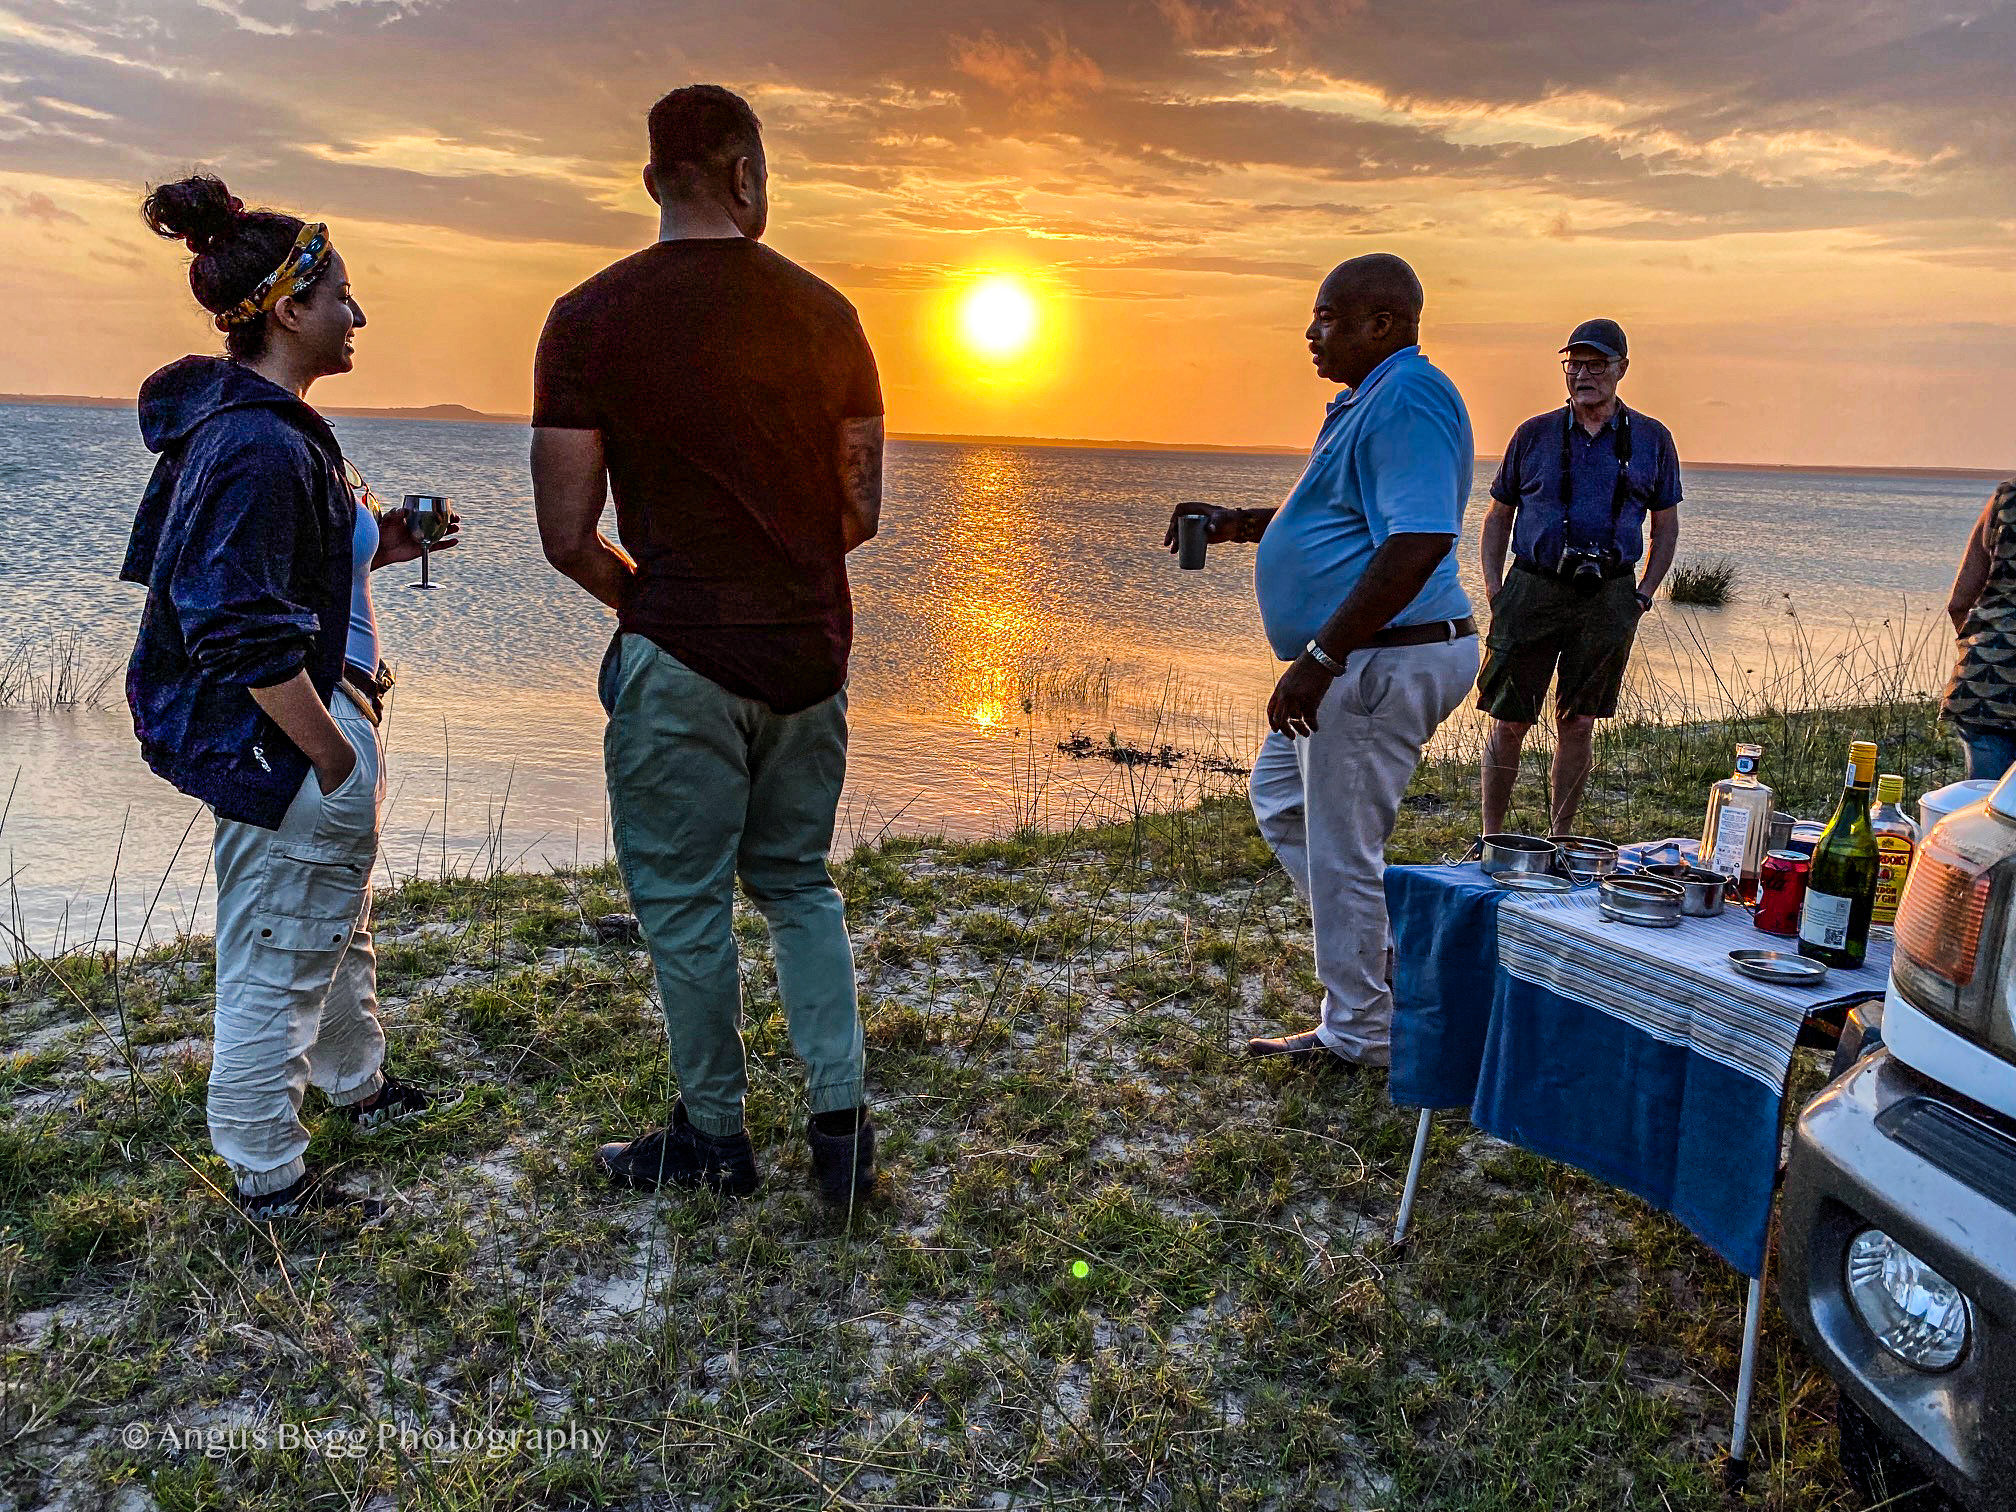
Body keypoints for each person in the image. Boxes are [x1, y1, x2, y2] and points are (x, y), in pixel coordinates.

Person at [531, 86, 883, 1203]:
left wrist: (654, 602)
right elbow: (858, 512)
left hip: (678, 650)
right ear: (743, 174)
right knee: (798, 886)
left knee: (685, 903)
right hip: (809, 655)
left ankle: (715, 1141)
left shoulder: (586, 319)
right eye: (766, 173)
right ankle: (841, 1136)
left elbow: (565, 534)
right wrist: (778, 580)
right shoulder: (831, 315)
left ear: (652, 181)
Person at [124, 173, 461, 1218]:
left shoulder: (270, 424)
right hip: (298, 740)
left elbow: (285, 573)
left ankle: (358, 1087)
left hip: (324, 720)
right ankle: (269, 1177)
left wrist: (385, 543)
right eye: (341, 296)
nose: (358, 314)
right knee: (279, 950)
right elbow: (229, 622)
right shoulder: (259, 445)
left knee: (330, 921)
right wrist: (328, 752)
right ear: (287, 309)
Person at [1165, 254, 1479, 1068]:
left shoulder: (1408, 396)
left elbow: (1417, 542)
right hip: (1364, 661)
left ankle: (1363, 1034)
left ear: (1384, 325)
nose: (1312, 332)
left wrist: (1321, 655)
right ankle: (1386, 974)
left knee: (1343, 849)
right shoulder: (1366, 404)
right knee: (1282, 799)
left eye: (1328, 318)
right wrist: (1240, 522)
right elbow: (1342, 521)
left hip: (1377, 662)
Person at [1475, 319, 1682, 836]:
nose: (1583, 375)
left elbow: (1666, 524)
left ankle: (1560, 838)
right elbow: (1498, 515)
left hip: (1609, 595)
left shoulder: (1653, 439)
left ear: (1622, 370)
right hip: (1532, 587)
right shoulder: (1533, 434)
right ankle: (1493, 837)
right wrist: (1496, 591)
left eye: (1596, 364)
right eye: (1575, 364)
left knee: (1579, 721)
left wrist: (1642, 596)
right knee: (1510, 719)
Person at [1942, 478, 2016, 780]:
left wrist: (1986, 649)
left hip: (1985, 685)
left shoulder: (2007, 499)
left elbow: (1958, 603)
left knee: (1983, 815)